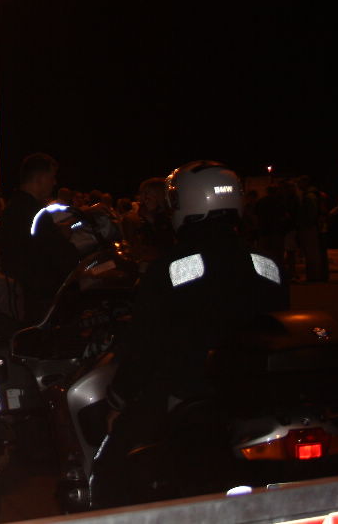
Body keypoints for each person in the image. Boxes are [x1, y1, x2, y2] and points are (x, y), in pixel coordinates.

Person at [95, 161, 287, 506]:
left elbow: (144, 344)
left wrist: (117, 400)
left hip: (189, 392)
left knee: (110, 468)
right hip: (257, 396)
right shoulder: (268, 263)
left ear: (186, 202)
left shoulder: (171, 269)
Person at [0, 153, 78, 321]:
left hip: (21, 296)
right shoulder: (34, 213)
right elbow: (59, 255)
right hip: (39, 300)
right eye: (52, 177)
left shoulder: (13, 208)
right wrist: (64, 239)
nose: (54, 183)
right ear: (39, 178)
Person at [121, 177, 175, 264]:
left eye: (147, 196)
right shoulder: (138, 217)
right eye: (142, 194)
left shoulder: (169, 217)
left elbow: (166, 245)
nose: (142, 200)